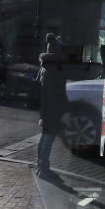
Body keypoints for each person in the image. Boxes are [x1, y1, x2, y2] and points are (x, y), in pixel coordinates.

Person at [36, 33, 68, 179]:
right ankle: (43, 169)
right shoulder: (56, 69)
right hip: (53, 109)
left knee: (44, 138)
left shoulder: (45, 66)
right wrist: (64, 107)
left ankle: (41, 167)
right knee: (48, 139)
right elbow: (60, 92)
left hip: (46, 108)